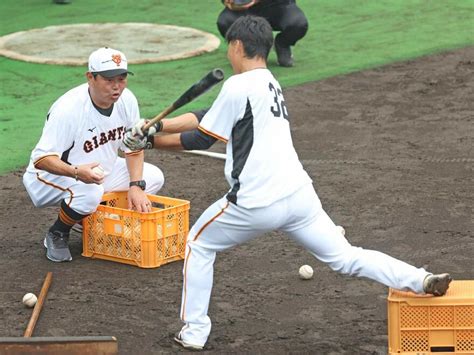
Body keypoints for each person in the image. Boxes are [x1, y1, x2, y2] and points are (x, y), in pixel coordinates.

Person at [124, 16, 452, 351]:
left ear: (237, 46)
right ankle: (420, 278)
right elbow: (207, 113)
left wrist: (150, 143)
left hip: (255, 204)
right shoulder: (268, 82)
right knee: (346, 256)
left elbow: (202, 138)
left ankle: (194, 332)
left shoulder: (238, 86)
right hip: (299, 197)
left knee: (199, 244)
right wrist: (157, 127)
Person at [23, 47, 164, 263]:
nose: (117, 86)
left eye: (122, 78)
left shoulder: (127, 100)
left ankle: (86, 218)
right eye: (109, 80)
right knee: (90, 192)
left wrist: (136, 185)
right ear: (91, 77)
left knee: (152, 177)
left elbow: (133, 147)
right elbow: (41, 159)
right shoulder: (69, 109)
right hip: (49, 177)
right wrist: (77, 172)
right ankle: (58, 232)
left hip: (97, 172)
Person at [217, 0, 308, 67]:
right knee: (225, 22)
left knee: (298, 24)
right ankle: (246, 50)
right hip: (245, 8)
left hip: (280, 5)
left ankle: (282, 44)